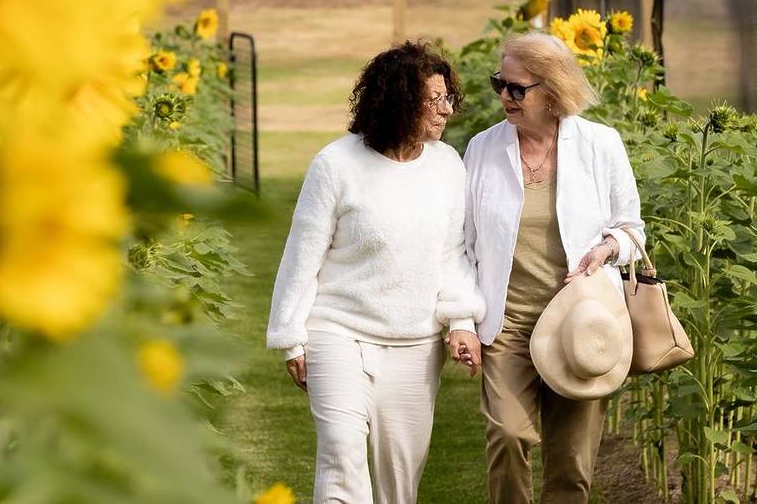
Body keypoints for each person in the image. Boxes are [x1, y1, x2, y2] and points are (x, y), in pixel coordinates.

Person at [266, 39, 485, 504]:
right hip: (338, 333)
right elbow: (303, 255)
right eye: (435, 99)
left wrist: (461, 320)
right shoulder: (335, 165)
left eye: (448, 98)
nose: (447, 109)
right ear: (401, 102)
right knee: (342, 457)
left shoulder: (447, 166)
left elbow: (452, 253)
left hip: (415, 344)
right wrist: (290, 336)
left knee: (399, 483)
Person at [461, 31, 645, 503]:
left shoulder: (600, 145)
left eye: (517, 89)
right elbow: (462, 245)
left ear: (554, 89)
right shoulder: (482, 149)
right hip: (508, 323)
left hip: (581, 323)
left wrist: (607, 249)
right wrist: (462, 320)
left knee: (571, 464)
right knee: (509, 436)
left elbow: (631, 229)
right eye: (499, 83)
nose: (505, 96)